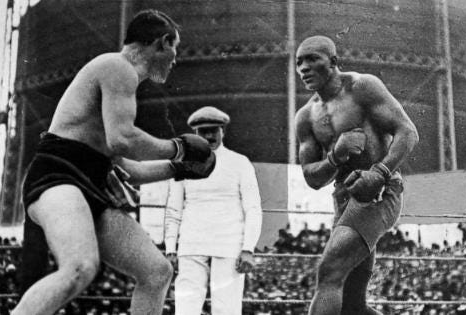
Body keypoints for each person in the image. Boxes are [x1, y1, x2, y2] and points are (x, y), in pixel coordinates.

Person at [13, 10, 216, 315]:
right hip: (58, 176)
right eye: (174, 48)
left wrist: (179, 169)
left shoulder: (120, 86)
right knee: (79, 267)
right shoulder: (116, 67)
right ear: (162, 43)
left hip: (90, 183)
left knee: (156, 271)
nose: (175, 59)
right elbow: (123, 139)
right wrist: (177, 148)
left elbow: (129, 170)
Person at [294, 35, 419, 314]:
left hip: (378, 193)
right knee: (353, 304)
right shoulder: (306, 116)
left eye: (313, 59)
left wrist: (379, 172)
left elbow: (408, 132)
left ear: (334, 61)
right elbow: (312, 178)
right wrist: (335, 156)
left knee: (329, 271)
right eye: (299, 62)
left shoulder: (362, 87)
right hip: (343, 198)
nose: (304, 67)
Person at [164, 106, 263, 315]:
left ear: (222, 131)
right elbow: (173, 209)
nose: (209, 136)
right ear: (195, 133)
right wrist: (171, 249)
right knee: (185, 308)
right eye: (203, 131)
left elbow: (253, 208)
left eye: (213, 130)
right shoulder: (183, 163)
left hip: (229, 243)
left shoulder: (239, 162)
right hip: (191, 243)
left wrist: (248, 248)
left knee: (227, 308)